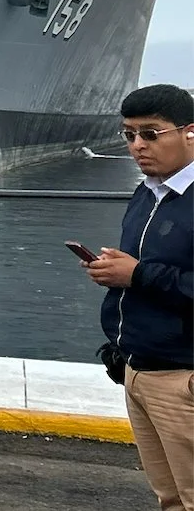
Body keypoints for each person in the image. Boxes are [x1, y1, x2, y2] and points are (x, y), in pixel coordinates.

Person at [86, 83, 193, 508]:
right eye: (128, 135)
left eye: (150, 134)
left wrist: (137, 274)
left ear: (190, 132)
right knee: (168, 497)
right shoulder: (148, 192)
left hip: (182, 378)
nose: (137, 146)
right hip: (138, 370)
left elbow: (147, 275)